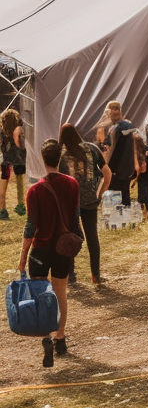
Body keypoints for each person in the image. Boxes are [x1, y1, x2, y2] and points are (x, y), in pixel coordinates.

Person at [18, 138, 81, 367]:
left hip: (40, 250)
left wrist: (23, 256)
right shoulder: (73, 184)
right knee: (61, 293)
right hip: (63, 248)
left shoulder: (34, 190)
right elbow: (75, 217)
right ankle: (61, 338)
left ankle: (45, 336)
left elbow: (30, 226)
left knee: (41, 295)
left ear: (43, 160)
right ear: (60, 158)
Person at [58, 123, 110, 285]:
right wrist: (99, 194)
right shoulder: (92, 148)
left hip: (69, 203)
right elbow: (107, 174)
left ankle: (71, 276)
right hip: (90, 200)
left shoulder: (62, 155)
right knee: (92, 237)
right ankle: (96, 275)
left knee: (69, 237)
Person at [104, 107, 136, 207]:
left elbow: (111, 149)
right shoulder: (129, 125)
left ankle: (117, 217)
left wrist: (108, 166)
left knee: (114, 196)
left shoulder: (115, 129)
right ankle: (126, 215)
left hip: (116, 168)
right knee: (125, 194)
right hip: (128, 167)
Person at [0, 106, 27, 219]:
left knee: (3, 185)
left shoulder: (2, 132)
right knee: (20, 185)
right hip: (19, 160)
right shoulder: (18, 130)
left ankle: (2, 209)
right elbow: (19, 144)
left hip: (6, 160)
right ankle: (20, 205)